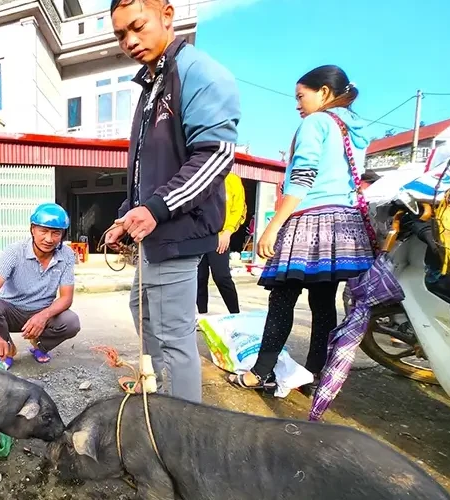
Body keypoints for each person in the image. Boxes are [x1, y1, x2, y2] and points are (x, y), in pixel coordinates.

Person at [103, 0, 240, 403]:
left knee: (173, 337)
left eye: (137, 27)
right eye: (120, 34)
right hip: (154, 233)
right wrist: (125, 216)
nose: (130, 41)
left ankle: (183, 428)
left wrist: (156, 209)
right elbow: (149, 169)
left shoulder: (198, 73)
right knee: (142, 312)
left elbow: (216, 155)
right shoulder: (153, 85)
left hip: (177, 230)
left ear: (167, 14)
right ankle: (159, 392)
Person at [226, 65, 375, 393]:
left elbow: (303, 178)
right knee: (324, 303)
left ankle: (260, 371)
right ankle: (314, 374)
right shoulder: (354, 130)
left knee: (282, 298)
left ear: (323, 93)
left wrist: (273, 227)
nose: (297, 104)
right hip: (342, 225)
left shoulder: (316, 122)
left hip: (310, 221)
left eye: (300, 96)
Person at [0, 203, 80, 370]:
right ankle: (7, 350)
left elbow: (67, 297)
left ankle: (39, 345)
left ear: (62, 234)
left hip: (42, 311)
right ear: (32, 229)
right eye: (43, 231)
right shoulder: (14, 251)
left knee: (71, 321)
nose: (49, 239)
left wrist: (44, 316)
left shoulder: (66, 254)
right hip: (12, 311)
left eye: (56, 233)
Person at [197, 171, 247, 315]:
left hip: (220, 236)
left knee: (221, 276)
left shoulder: (232, 180)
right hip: (199, 235)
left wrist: (228, 232)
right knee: (199, 278)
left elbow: (238, 209)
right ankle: (202, 315)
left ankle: (235, 313)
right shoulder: (201, 177)